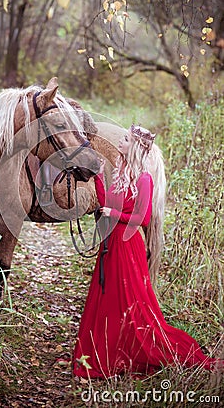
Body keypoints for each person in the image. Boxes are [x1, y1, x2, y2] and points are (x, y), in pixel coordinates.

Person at [73, 124, 219, 378]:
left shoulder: (144, 179)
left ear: (137, 148)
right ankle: (105, 348)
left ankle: (127, 350)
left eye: (126, 139)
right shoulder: (122, 173)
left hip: (129, 246)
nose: (121, 142)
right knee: (109, 299)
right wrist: (97, 176)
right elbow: (106, 203)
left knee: (130, 301)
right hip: (112, 243)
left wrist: (114, 214)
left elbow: (143, 217)